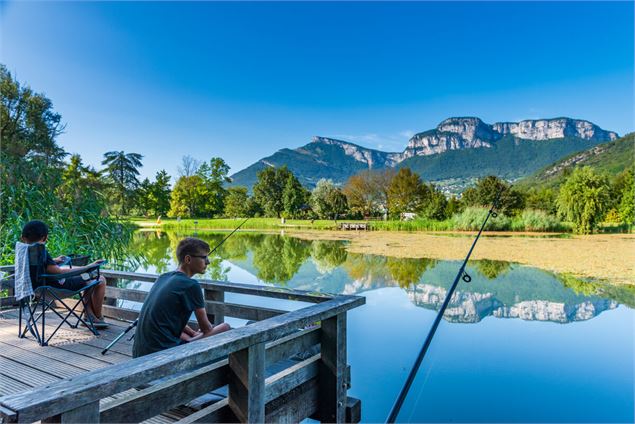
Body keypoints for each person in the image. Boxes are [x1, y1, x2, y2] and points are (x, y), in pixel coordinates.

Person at [132, 237, 231, 358]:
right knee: (225, 327)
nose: (208, 262)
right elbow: (206, 329)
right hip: (161, 354)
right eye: (204, 257)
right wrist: (199, 334)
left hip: (139, 353)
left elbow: (166, 318)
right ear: (188, 259)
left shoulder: (163, 277)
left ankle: (189, 340)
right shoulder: (191, 285)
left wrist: (193, 333)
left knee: (191, 334)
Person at [20, 220, 109, 329]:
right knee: (99, 278)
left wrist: (53, 260)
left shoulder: (23, 250)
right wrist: (88, 267)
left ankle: (89, 315)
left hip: (36, 288)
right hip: (56, 287)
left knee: (89, 279)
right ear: (44, 238)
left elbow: (38, 266)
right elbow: (59, 272)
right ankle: (97, 317)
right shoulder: (41, 250)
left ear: (23, 237)